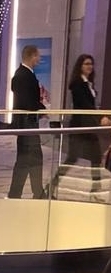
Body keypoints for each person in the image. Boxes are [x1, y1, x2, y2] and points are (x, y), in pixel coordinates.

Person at [49, 54, 111, 196]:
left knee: (96, 158)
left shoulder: (88, 83)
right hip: (80, 128)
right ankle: (52, 186)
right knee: (72, 159)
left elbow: (91, 107)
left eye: (91, 64)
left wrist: (100, 118)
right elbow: (85, 106)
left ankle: (95, 191)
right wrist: (100, 119)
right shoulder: (77, 84)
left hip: (89, 128)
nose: (90, 66)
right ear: (80, 66)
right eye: (86, 64)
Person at [7, 44, 46, 199]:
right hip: (27, 123)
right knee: (31, 159)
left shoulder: (23, 74)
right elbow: (28, 102)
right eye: (38, 56)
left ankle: (24, 193)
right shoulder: (23, 76)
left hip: (27, 124)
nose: (39, 59)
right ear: (32, 56)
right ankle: (36, 193)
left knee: (26, 160)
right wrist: (41, 108)